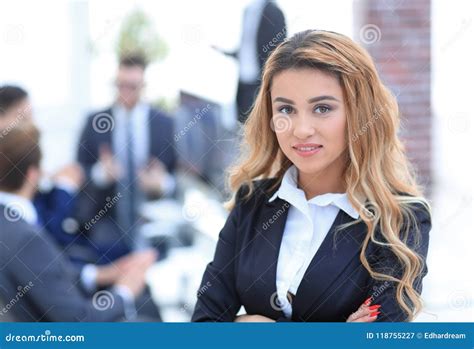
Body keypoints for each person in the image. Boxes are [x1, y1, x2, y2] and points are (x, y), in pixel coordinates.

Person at [192, 30, 432, 322]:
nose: (301, 129)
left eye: (322, 108)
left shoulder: (401, 219)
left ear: (360, 113)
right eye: (286, 109)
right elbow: (204, 325)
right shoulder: (252, 202)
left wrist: (250, 325)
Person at [0, 123, 160, 321]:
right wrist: (124, 292)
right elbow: (79, 324)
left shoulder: (10, 225)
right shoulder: (25, 237)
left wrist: (99, 274)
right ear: (33, 175)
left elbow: (43, 275)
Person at [77, 53, 177, 260]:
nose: (125, 92)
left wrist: (162, 184)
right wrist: (99, 174)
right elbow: (78, 171)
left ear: (143, 85)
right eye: (120, 85)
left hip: (152, 225)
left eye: (132, 86)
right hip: (106, 225)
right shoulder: (94, 121)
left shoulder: (164, 123)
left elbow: (174, 174)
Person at [214, 0, 286, 123]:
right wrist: (227, 53)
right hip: (244, 83)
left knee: (264, 123)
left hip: (263, 81)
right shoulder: (247, 11)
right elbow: (247, 49)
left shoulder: (274, 11)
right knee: (245, 125)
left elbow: (280, 49)